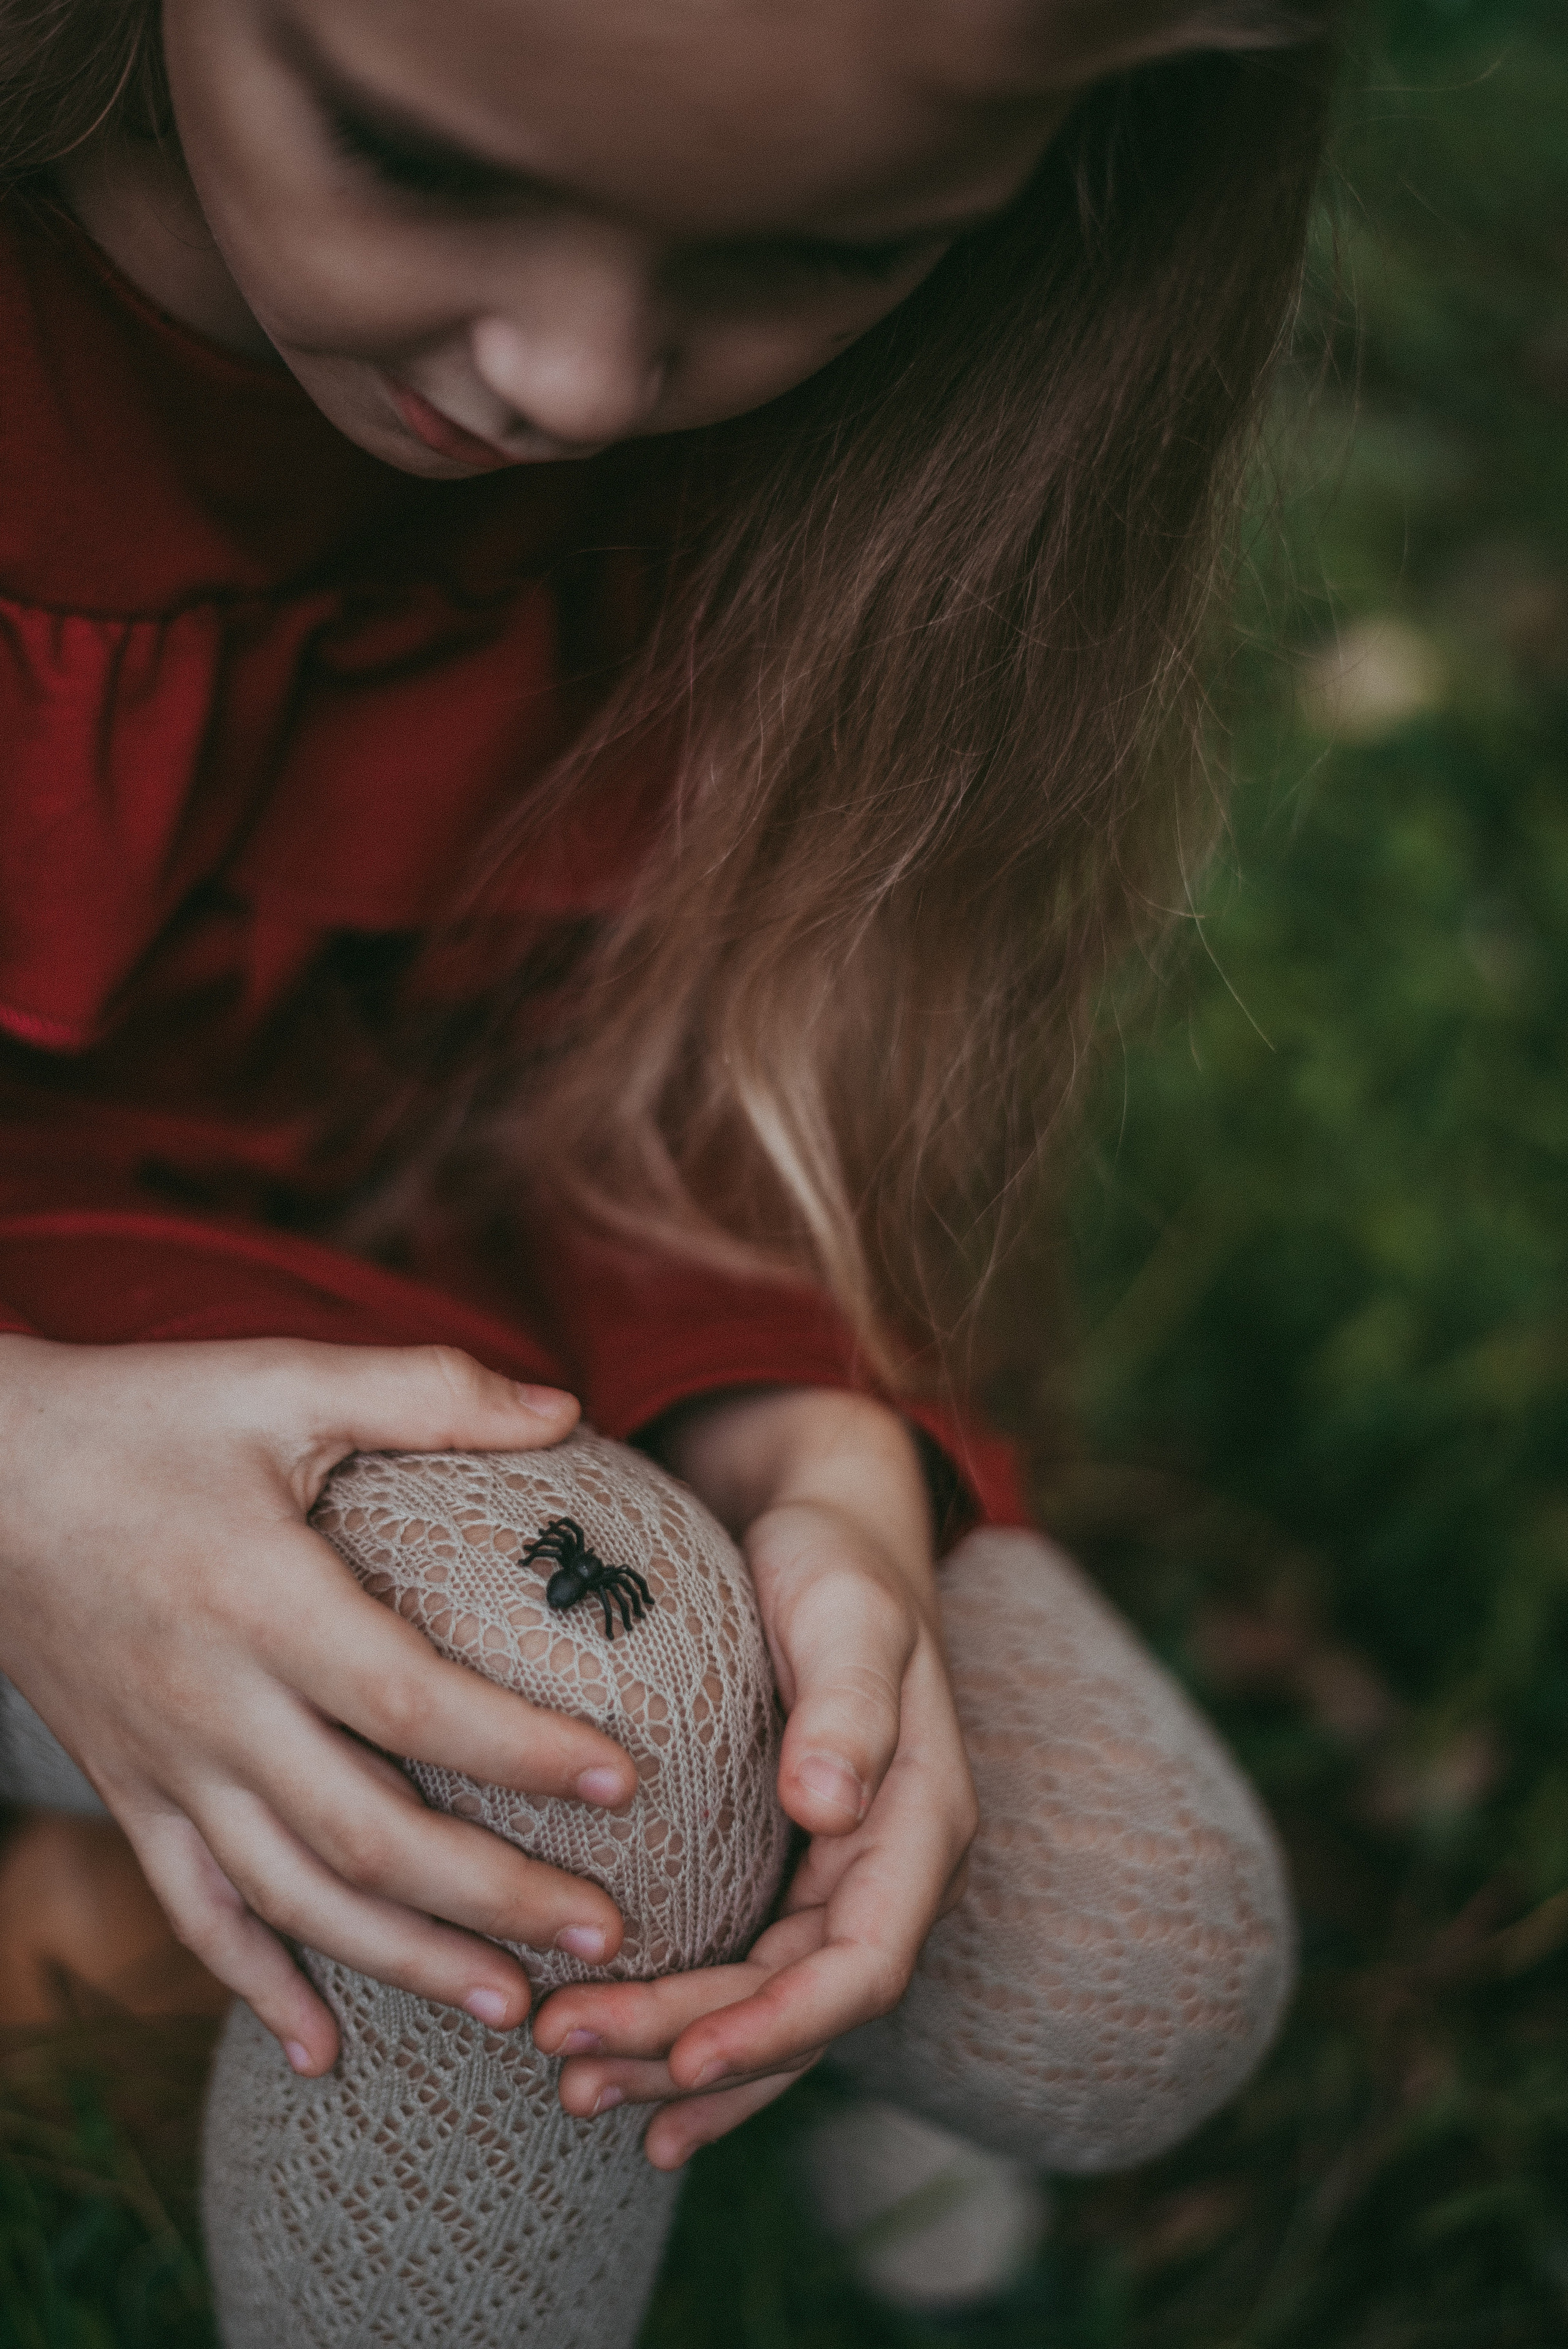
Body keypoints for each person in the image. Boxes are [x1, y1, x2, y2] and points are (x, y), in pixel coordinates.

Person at [0, 0, 1336, 2337]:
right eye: (412, 158)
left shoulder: (875, 434)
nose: (582, 380)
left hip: (488, 1267)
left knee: (1131, 1962)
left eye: (835, 249)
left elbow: (707, 1052)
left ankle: (207, 1928)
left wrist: (813, 1440)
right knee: (579, 1737)